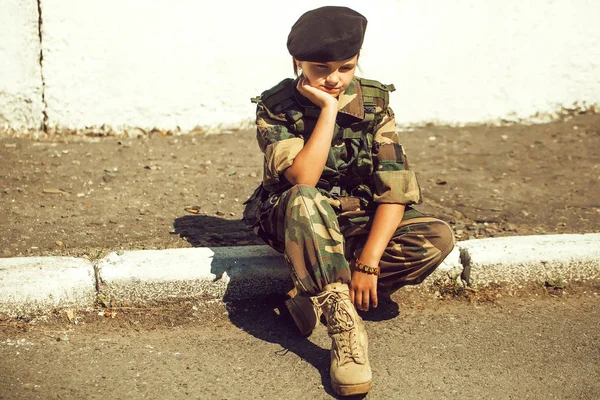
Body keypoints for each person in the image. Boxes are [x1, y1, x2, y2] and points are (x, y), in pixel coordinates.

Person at [243, 5, 455, 396]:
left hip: (356, 220)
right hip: (296, 219)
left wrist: (369, 264)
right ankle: (344, 327)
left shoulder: (374, 100)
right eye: (321, 68)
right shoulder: (276, 107)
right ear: (297, 62)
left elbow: (393, 187)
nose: (334, 78)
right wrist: (326, 110)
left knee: (436, 237)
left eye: (346, 67)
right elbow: (303, 179)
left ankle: (315, 293)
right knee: (306, 197)